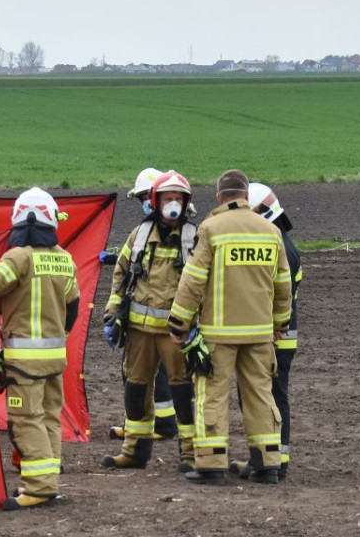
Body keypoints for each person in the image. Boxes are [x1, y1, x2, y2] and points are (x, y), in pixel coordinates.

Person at [168, 169, 292, 485]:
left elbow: (192, 281)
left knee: (212, 394)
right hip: (260, 332)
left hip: (219, 333)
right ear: (246, 195)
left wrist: (179, 324)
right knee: (261, 396)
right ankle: (266, 464)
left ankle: (211, 464)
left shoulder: (211, 228)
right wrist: (279, 323)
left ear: (220, 197)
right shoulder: (269, 230)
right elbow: (283, 284)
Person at [0, 187, 79, 510]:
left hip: (23, 360)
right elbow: (72, 307)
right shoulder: (64, 258)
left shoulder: (18, 257)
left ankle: (40, 488)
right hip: (55, 357)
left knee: (26, 419)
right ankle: (48, 481)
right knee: (48, 417)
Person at [100, 170, 198, 471]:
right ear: (155, 201)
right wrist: (112, 315)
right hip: (140, 333)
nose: (173, 203)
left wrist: (198, 325)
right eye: (168, 198)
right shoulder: (139, 235)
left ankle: (191, 454)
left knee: (182, 393)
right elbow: (121, 275)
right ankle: (134, 452)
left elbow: (203, 284)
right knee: (136, 390)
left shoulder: (194, 238)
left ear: (186, 203)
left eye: (178, 198)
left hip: (175, 334)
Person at [229, 182, 302, 481]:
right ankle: (267, 458)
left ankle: (274, 461)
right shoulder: (281, 242)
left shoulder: (281, 248)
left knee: (268, 398)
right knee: (267, 396)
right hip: (275, 335)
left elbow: (271, 297)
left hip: (273, 337)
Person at [104, 168, 180, 444]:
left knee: (147, 374)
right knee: (143, 374)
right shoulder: (145, 231)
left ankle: (159, 425)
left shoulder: (178, 232)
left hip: (156, 321)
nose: (143, 205)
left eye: (144, 198)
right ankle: (146, 424)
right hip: (146, 319)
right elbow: (131, 266)